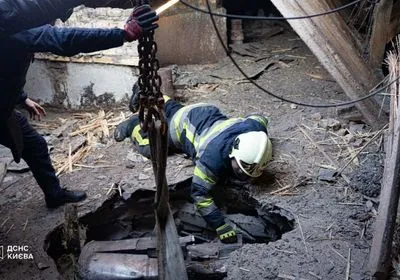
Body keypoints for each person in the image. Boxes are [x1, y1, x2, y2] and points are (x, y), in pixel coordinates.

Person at [0, 5, 158, 208]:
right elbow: (65, 40)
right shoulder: (17, 25)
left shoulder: (12, 25)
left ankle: (54, 195)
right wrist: (123, 35)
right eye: (54, 17)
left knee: (35, 146)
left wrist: (22, 98)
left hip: (5, 108)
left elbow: (5, 72)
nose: (55, 23)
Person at [114, 83, 273, 243]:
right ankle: (132, 125)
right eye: (240, 170)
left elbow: (260, 118)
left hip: (205, 111)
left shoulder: (256, 130)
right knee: (150, 147)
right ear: (233, 151)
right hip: (182, 127)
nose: (243, 176)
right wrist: (220, 225)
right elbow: (199, 194)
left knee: (175, 110)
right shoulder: (211, 158)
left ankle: (151, 92)